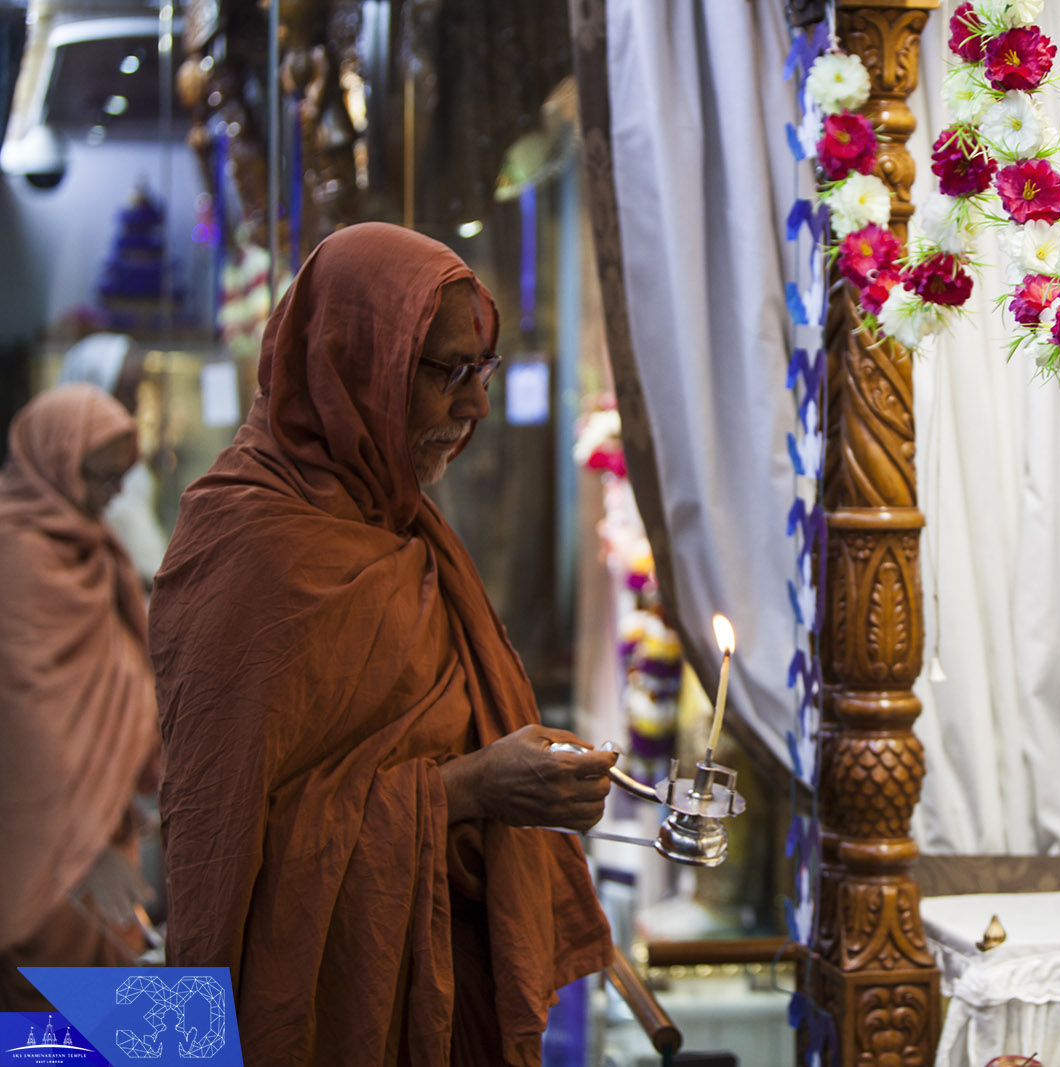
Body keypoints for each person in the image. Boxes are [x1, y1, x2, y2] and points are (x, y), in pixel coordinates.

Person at [150, 223, 615, 1065]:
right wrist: (472, 787)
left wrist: (521, 781)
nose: (474, 407)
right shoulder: (253, 543)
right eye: (447, 373)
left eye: (483, 371)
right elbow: (230, 855)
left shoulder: (399, 520)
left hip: (440, 979)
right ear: (352, 362)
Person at [0, 384, 160, 1008]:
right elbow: (25, 724)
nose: (115, 494)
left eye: (124, 477)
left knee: (72, 1036)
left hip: (99, 833)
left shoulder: (93, 551)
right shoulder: (17, 558)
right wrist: (84, 847)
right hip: (44, 854)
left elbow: (114, 684)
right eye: (101, 477)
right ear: (55, 462)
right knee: (170, 1037)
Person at [55, 332, 169, 589]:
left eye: (138, 390)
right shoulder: (67, 470)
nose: (136, 403)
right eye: (127, 391)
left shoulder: (131, 463)